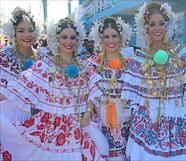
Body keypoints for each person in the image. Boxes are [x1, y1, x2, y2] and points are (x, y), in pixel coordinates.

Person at [0, 17, 108, 161]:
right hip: (52, 129)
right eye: (64, 37)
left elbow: (92, 93)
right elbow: (18, 90)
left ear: (78, 40)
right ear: (56, 39)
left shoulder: (85, 66)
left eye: (72, 37)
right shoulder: (44, 66)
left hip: (82, 126)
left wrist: (88, 112)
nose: (68, 41)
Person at [120, 2, 186, 160]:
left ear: (167, 26)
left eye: (161, 23)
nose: (157, 28)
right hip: (149, 119)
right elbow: (134, 96)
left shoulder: (181, 53)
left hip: (178, 117)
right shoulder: (139, 58)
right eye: (152, 24)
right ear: (146, 28)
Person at [88, 16, 132, 161]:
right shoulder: (93, 63)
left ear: (121, 37)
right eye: (106, 37)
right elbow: (88, 92)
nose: (110, 40)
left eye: (114, 36)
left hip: (125, 116)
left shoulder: (130, 63)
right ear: (100, 39)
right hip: (100, 115)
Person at [0, 7, 45, 101]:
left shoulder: (43, 56)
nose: (27, 35)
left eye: (30, 30)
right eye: (21, 31)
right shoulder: (3, 57)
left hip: (40, 113)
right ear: (13, 33)